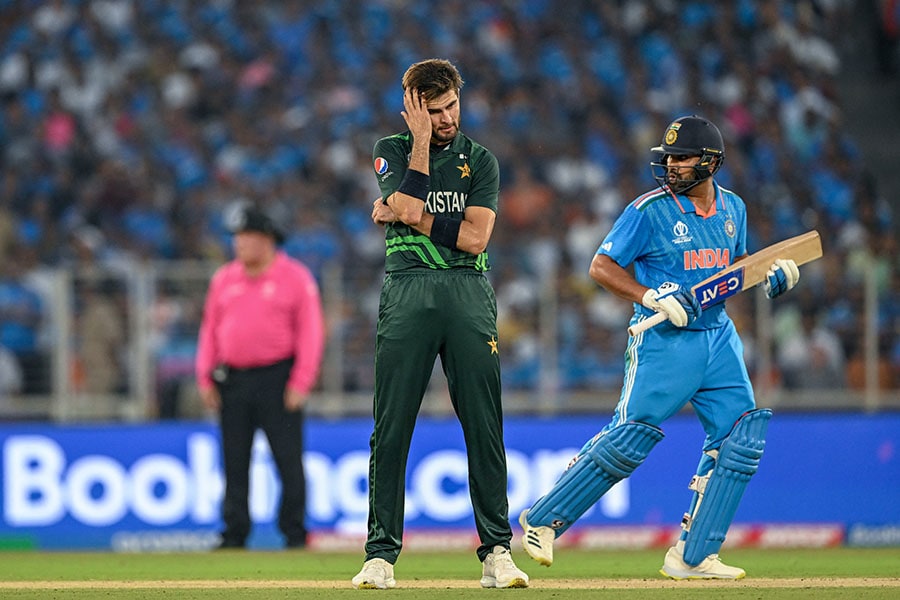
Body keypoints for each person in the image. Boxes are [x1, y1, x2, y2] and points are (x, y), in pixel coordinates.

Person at [518, 115, 803, 580]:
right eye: (668, 157)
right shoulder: (649, 211)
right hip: (664, 339)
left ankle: (693, 556)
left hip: (718, 337)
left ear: (710, 162)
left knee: (741, 438)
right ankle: (543, 517)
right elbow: (601, 265)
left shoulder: (734, 208)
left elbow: (737, 263)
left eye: (682, 158)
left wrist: (770, 273)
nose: (671, 165)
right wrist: (649, 296)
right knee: (631, 435)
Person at [351, 58, 528, 590]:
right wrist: (419, 145)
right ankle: (380, 557)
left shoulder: (483, 162)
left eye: (451, 105)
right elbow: (402, 198)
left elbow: (475, 239)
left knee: (483, 424)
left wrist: (406, 213)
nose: (446, 117)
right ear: (413, 109)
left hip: (467, 289)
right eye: (433, 110)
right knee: (391, 426)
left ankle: (497, 553)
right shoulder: (392, 150)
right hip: (406, 289)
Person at [195, 204, 325, 550]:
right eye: (236, 237)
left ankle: (294, 532)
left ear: (266, 240)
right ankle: (233, 533)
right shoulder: (224, 278)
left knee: (288, 459)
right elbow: (209, 331)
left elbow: (310, 332)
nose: (239, 244)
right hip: (232, 379)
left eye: (246, 236)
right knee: (234, 461)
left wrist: (301, 381)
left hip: (277, 378)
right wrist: (205, 378)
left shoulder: (295, 277)